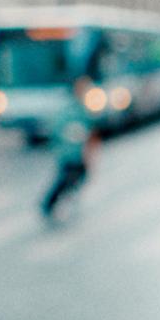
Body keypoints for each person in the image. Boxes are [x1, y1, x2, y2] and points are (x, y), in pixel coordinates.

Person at [40, 77, 98, 220]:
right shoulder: (69, 110)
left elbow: (91, 132)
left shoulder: (83, 110)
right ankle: (49, 203)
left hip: (78, 154)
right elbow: (57, 131)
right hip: (68, 154)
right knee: (64, 179)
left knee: (76, 177)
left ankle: (65, 198)